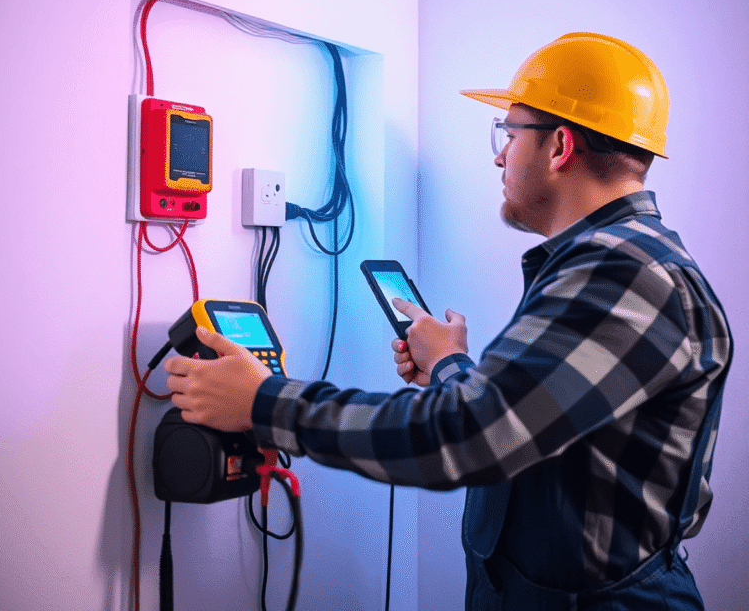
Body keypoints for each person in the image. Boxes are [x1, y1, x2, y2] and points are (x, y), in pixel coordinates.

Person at [165, 32, 732, 610]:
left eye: (509, 134)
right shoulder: (611, 264)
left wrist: (265, 404)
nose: (499, 155)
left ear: (560, 146)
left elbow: (473, 436)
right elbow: (522, 426)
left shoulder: (621, 274)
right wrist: (450, 364)